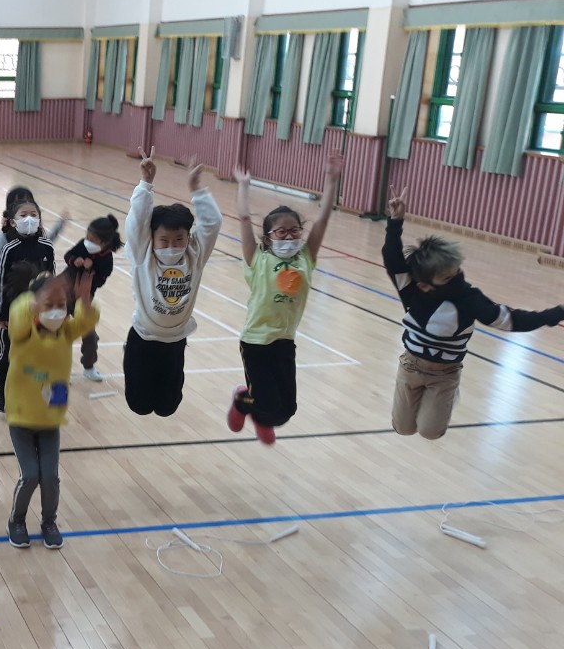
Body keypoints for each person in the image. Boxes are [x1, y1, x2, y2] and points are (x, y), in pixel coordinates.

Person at [383, 188, 563, 440]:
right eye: (447, 278)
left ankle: (447, 395)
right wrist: (396, 221)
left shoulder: (470, 299)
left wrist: (555, 313)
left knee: (430, 431)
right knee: (404, 428)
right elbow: (392, 258)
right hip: (410, 366)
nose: (457, 279)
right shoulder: (411, 289)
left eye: (457, 271)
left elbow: (512, 321)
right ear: (424, 285)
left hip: (445, 373)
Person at [227, 153, 340, 444]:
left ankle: (260, 416)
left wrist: (331, 180)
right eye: (281, 231)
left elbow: (323, 219)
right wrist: (244, 185)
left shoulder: (306, 258)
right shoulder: (258, 259)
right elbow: (243, 218)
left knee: (286, 410)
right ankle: (243, 402)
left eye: (294, 231)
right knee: (266, 401)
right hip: (256, 342)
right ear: (268, 237)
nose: (289, 237)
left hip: (284, 341)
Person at [123, 152, 223, 416]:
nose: (172, 246)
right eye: (164, 241)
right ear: (152, 239)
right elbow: (137, 222)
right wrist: (146, 184)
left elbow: (212, 224)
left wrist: (196, 189)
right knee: (139, 405)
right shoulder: (143, 254)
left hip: (175, 341)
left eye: (179, 240)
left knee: (168, 407)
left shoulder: (195, 256)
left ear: (188, 238)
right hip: (143, 338)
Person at [5, 268, 98, 549]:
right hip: (21, 418)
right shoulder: (24, 332)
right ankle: (17, 520)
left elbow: (87, 320)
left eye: (61, 304)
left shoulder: (66, 332)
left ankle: (49, 521)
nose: (57, 310)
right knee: (30, 475)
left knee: (50, 477)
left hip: (51, 420)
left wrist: (84, 300)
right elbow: (18, 315)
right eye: (49, 304)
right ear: (35, 305)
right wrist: (35, 299)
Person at [0, 192, 56, 413]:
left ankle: (36, 391)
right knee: (7, 354)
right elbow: (1, 282)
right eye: (23, 215)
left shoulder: (47, 246)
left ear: (40, 219)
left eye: (34, 214)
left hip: (40, 313)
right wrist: (3, 314)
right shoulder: (10, 249)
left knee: (41, 352)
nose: (29, 218)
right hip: (13, 314)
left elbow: (51, 278)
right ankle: (2, 391)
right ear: (13, 221)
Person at [63, 213, 123, 382]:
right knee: (58, 330)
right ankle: (58, 367)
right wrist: (75, 260)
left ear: (105, 243)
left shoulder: (107, 260)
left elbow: (100, 281)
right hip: (64, 293)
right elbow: (68, 255)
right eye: (88, 237)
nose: (88, 241)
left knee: (89, 335)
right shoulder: (83, 245)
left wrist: (91, 270)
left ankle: (89, 367)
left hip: (84, 299)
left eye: (93, 239)